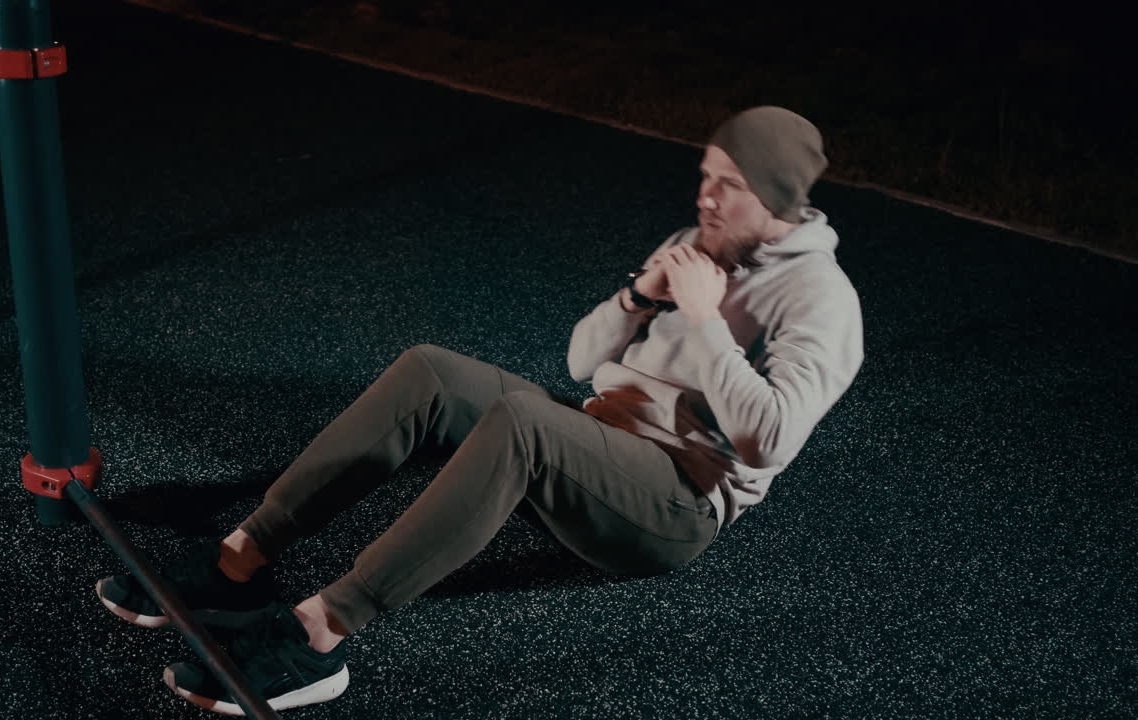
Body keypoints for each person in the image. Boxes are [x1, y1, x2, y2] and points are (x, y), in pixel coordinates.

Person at [94, 105, 865, 714]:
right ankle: (241, 560)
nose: (707, 194)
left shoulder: (821, 301)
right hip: (594, 439)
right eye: (707, 174)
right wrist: (637, 297)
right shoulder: (698, 241)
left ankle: (315, 641)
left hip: (671, 506)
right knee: (432, 370)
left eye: (729, 183)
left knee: (526, 427)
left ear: (774, 196)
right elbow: (577, 361)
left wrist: (703, 320)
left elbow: (768, 442)